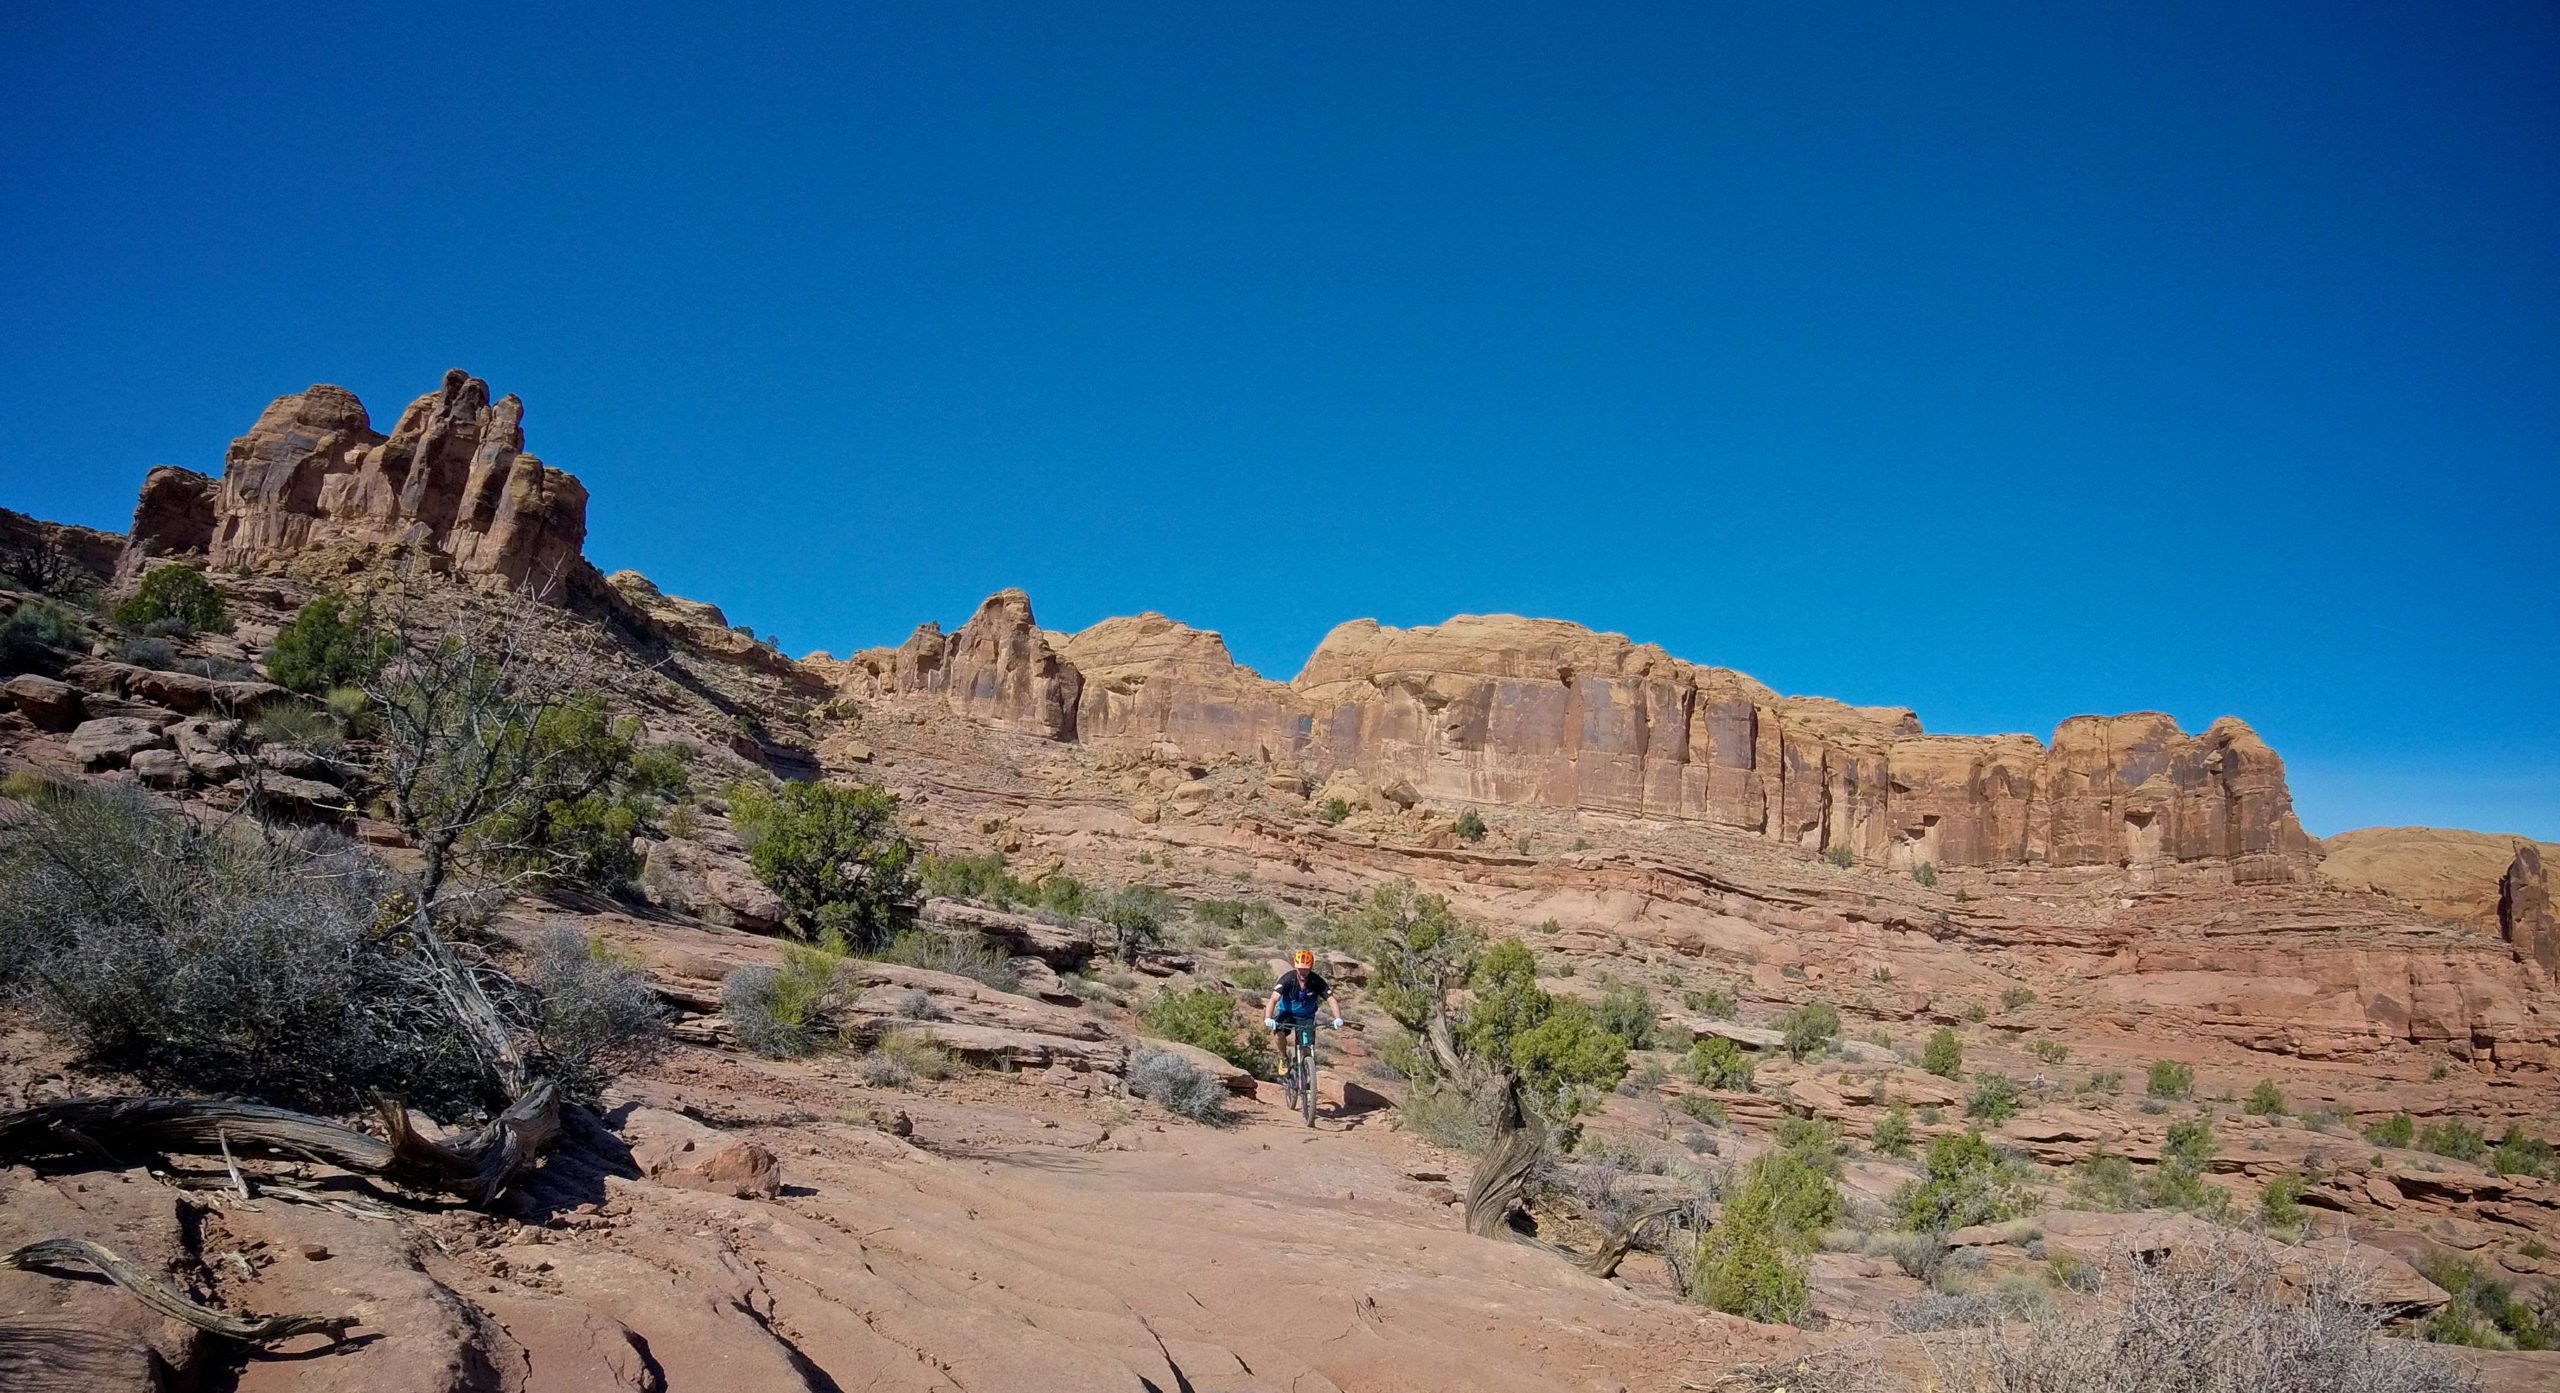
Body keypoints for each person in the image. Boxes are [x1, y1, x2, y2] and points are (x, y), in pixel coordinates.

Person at [1262, 949, 1342, 1076]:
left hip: (1306, 1016)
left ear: (1311, 967)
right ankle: (1283, 1058)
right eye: (1300, 969)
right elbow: (1273, 999)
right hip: (1286, 1013)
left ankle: (1306, 1071)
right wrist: (1268, 1018)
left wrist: (1338, 1018)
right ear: (1295, 966)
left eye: (1306, 969)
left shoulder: (1316, 981)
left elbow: (1331, 999)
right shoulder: (1287, 979)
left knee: (1307, 1046)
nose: (1303, 972)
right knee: (1279, 1032)